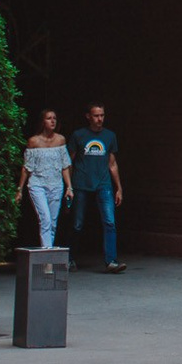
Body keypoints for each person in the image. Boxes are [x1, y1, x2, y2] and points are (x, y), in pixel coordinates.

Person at [66, 104, 124, 272]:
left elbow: (112, 164)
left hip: (103, 183)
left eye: (102, 115)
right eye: (96, 115)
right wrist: (68, 186)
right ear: (88, 116)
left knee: (109, 222)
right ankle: (69, 258)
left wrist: (119, 188)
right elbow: (69, 162)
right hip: (81, 183)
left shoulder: (109, 136)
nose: (100, 119)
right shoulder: (79, 135)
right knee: (77, 223)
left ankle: (111, 261)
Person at [15, 109, 70, 251]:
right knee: (45, 219)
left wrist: (69, 187)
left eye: (54, 118)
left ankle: (47, 255)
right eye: (49, 118)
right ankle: (48, 259)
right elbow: (27, 167)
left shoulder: (60, 140)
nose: (52, 121)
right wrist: (19, 189)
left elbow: (65, 165)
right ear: (42, 122)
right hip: (37, 184)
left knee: (52, 222)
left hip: (56, 185)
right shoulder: (34, 141)